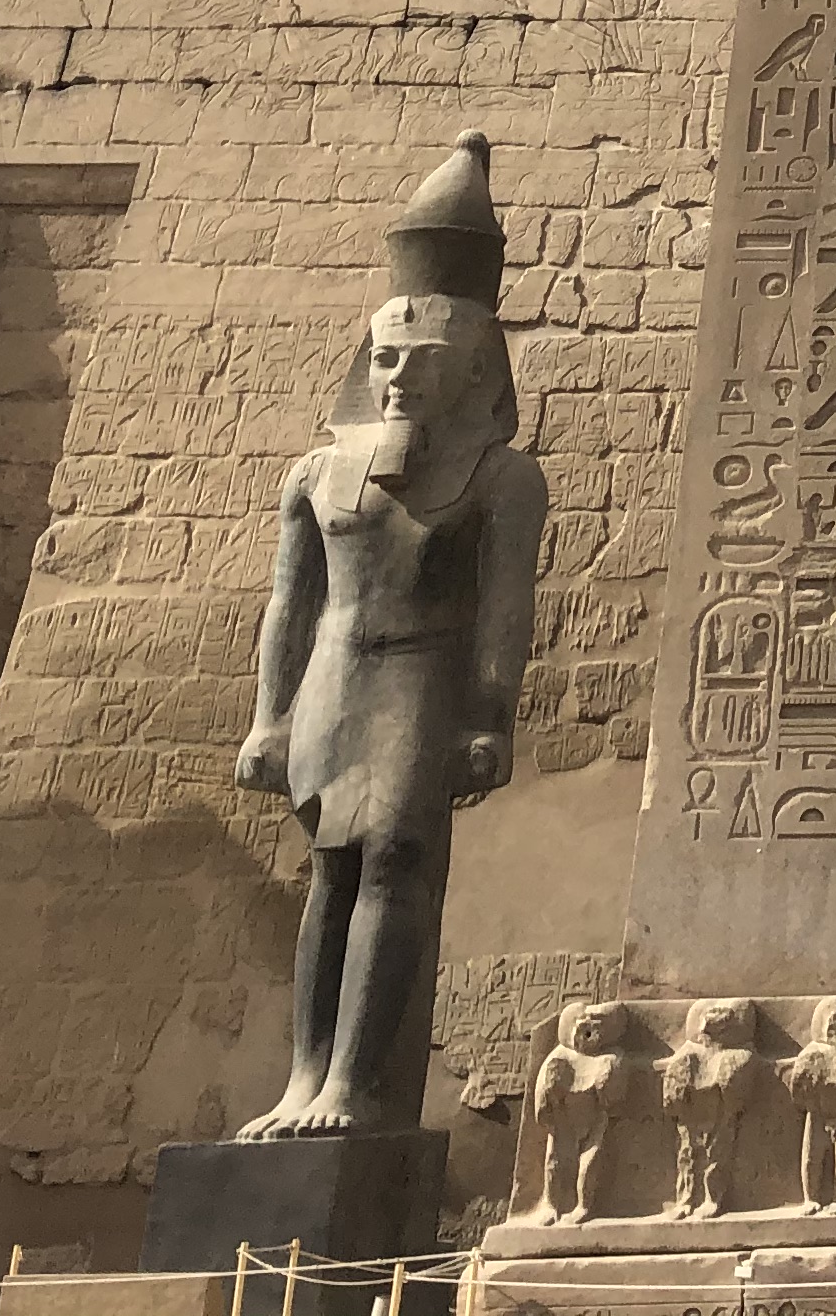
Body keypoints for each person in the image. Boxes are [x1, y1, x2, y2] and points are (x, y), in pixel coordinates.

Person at [236, 134, 545, 1140]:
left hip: (421, 674)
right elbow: (291, 606)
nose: (401, 376)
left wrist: (488, 714)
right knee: (328, 867)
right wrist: (268, 718)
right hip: (336, 669)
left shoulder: (502, 480)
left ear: (473, 373)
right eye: (386, 359)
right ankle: (303, 1077)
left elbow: (505, 613)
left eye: (424, 362)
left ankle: (355, 1086)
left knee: (394, 860)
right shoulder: (316, 474)